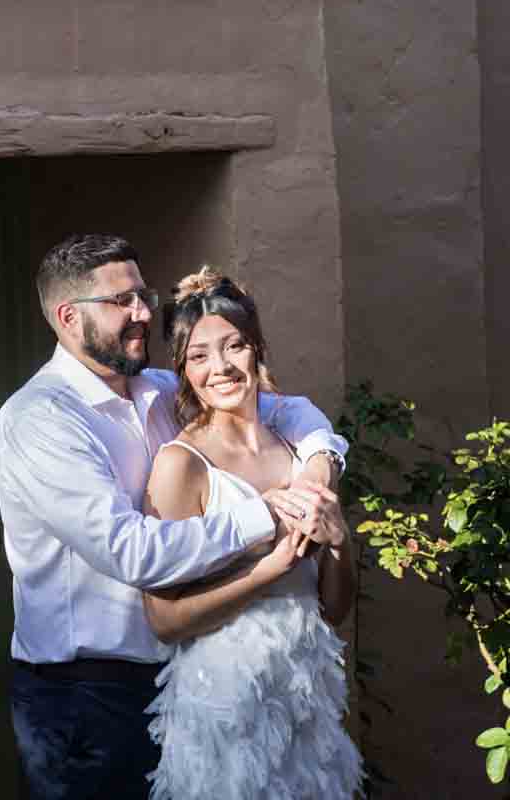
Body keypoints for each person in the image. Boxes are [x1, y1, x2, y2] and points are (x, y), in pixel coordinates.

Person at [0, 233, 346, 800]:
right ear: (67, 317)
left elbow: (291, 409)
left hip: (182, 676)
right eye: (121, 302)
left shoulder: (157, 389)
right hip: (86, 694)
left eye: (143, 296)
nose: (142, 314)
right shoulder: (40, 419)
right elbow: (132, 552)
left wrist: (320, 468)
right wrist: (271, 517)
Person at [142, 266, 362, 800]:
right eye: (198, 355)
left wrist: (338, 542)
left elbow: (333, 609)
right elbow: (164, 621)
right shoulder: (181, 465)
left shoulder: (297, 450)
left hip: (303, 695)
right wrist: (267, 571)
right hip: (224, 703)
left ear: (257, 348)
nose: (220, 367)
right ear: (182, 370)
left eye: (234, 346)